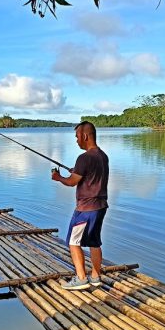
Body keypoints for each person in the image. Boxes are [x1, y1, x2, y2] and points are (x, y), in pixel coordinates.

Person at [51, 121, 109, 290]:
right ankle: (96, 276)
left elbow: (71, 182)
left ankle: (81, 278)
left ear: (84, 136)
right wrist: (76, 170)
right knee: (94, 242)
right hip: (101, 206)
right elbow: (90, 174)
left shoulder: (84, 158)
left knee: (73, 242)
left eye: (77, 137)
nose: (76, 140)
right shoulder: (102, 155)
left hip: (85, 209)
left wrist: (58, 177)